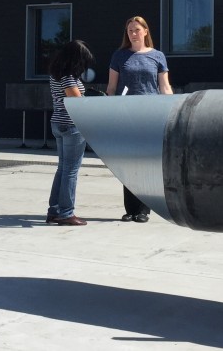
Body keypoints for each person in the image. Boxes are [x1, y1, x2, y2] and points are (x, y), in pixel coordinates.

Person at [106, 15, 172, 223]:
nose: (133, 33)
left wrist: (169, 108)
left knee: (146, 162)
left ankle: (144, 209)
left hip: (150, 113)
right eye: (130, 30)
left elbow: (164, 87)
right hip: (126, 114)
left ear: (145, 31)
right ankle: (130, 209)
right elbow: (111, 88)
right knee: (129, 162)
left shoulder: (157, 56)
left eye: (136, 29)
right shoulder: (119, 56)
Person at [46, 39, 95, 226]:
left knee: (63, 169)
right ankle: (66, 213)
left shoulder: (57, 73)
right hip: (71, 125)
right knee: (70, 171)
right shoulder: (67, 76)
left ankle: (54, 211)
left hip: (58, 123)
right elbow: (76, 100)